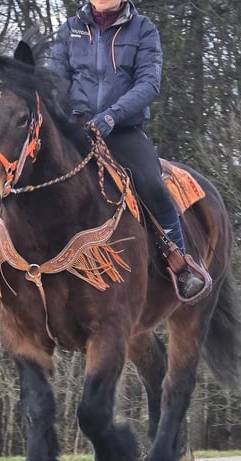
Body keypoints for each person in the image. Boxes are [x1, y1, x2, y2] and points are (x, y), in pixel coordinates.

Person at [50, 0, 206, 300]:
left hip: (122, 130)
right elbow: (56, 78)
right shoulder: (71, 29)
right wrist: (64, 115)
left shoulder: (143, 29)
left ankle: (179, 262)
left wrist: (112, 115)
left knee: (152, 185)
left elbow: (148, 83)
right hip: (74, 130)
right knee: (28, 167)